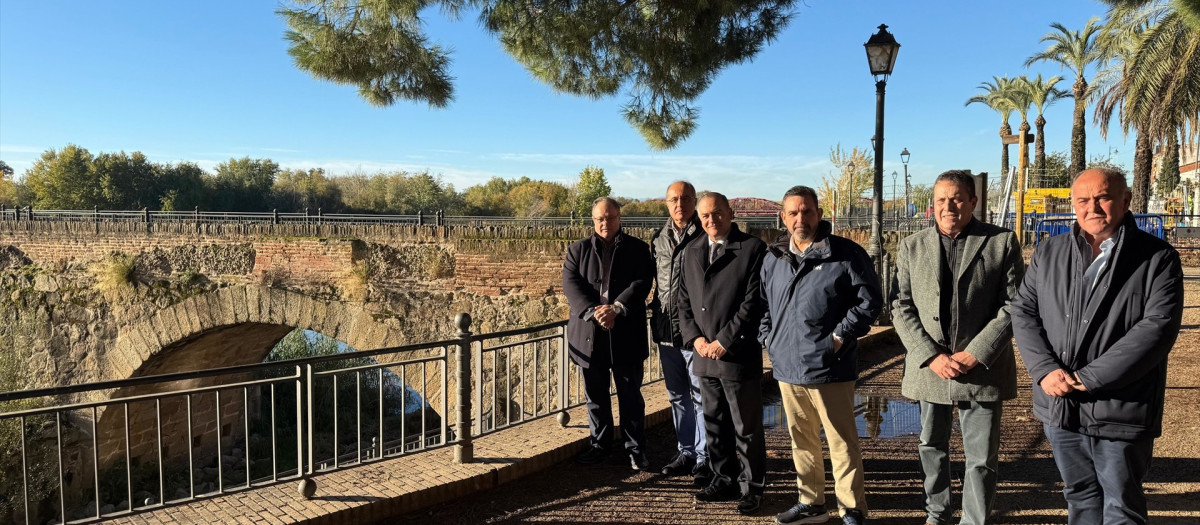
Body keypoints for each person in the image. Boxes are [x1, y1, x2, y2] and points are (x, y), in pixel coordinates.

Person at [1012, 168, 1183, 524]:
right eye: (1082, 200)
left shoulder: (1157, 258)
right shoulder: (1049, 252)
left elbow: (1156, 330)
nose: (1093, 208)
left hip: (1121, 406)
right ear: (1073, 204)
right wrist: (1044, 371)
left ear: (1125, 201)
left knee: (1121, 504)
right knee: (1079, 496)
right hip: (1061, 404)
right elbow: (1024, 312)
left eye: (1102, 197)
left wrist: (1088, 378)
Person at [892, 170, 1024, 525]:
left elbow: (1014, 304)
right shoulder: (912, 246)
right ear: (931, 205)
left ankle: (974, 520)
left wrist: (976, 352)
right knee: (931, 447)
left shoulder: (1001, 242)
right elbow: (900, 306)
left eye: (957, 198)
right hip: (931, 367)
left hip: (981, 367)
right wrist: (930, 355)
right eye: (940, 200)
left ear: (973, 202)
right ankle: (937, 512)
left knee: (981, 457)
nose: (948, 206)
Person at [760, 185, 882, 525]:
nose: (801, 218)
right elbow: (763, 305)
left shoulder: (844, 254)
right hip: (787, 365)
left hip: (830, 365)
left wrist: (841, 336)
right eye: (794, 212)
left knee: (841, 441)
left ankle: (851, 508)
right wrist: (767, 337)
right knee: (801, 440)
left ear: (819, 213)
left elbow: (870, 300)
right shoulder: (773, 258)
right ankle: (811, 502)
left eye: (807, 211)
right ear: (783, 217)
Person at [676, 192, 768, 515]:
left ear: (730, 213)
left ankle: (752, 486)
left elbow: (753, 303)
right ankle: (723, 477)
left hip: (736, 354)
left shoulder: (752, 249)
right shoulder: (691, 252)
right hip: (704, 355)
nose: (711, 221)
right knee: (714, 423)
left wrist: (724, 341)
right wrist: (695, 340)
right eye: (704, 217)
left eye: (717, 214)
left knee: (746, 427)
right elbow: (683, 303)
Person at [562, 197, 656, 470]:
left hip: (625, 331)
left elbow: (642, 282)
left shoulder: (638, 249)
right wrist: (595, 312)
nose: (605, 223)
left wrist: (616, 308)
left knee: (631, 396)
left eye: (610, 217)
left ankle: (636, 449)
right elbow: (571, 285)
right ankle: (600, 445)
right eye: (600, 219)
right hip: (590, 335)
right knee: (596, 396)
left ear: (619, 218)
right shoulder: (577, 250)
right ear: (593, 221)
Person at [648, 181, 711, 484]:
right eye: (673, 199)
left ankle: (704, 456)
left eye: (686, 198)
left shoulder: (705, 235)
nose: (679, 204)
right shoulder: (658, 239)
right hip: (665, 330)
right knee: (677, 396)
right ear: (666, 203)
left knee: (700, 395)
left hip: (694, 332)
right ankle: (684, 451)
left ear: (695, 201)